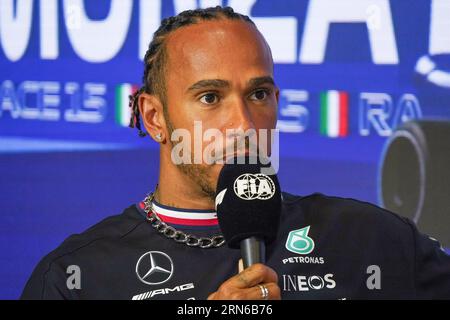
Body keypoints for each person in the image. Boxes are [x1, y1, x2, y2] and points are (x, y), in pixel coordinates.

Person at [21, 6, 450, 300]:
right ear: (154, 118)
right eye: (210, 98)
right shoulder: (76, 278)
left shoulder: (372, 239)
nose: (244, 124)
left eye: (258, 93)